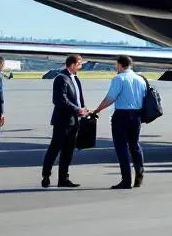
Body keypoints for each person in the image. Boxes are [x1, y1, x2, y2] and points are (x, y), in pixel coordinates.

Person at [93, 55, 148, 190]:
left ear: (120, 65)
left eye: (116, 65)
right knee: (134, 145)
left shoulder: (119, 78)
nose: (115, 67)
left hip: (122, 116)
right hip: (136, 116)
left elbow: (110, 98)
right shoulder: (141, 79)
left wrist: (97, 110)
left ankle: (126, 180)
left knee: (121, 148)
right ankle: (139, 172)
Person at [43, 55, 88, 188]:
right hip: (63, 121)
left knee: (68, 151)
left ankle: (63, 178)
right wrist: (77, 109)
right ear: (73, 64)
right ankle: (46, 175)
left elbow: (77, 98)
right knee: (54, 149)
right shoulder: (61, 78)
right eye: (80, 64)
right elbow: (59, 100)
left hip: (74, 120)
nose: (81, 66)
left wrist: (84, 110)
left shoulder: (75, 78)